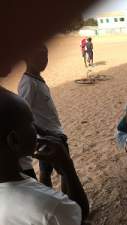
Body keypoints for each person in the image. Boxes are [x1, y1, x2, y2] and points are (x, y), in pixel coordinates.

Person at [0, 88, 89, 225]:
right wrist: (67, 168)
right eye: (31, 123)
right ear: (14, 140)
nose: (38, 129)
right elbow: (80, 217)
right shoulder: (51, 207)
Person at [18, 44, 69, 191]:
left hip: (51, 133)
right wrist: (47, 134)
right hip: (49, 136)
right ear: (27, 58)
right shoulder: (28, 83)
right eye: (39, 56)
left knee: (46, 171)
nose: (44, 60)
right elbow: (24, 115)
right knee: (65, 171)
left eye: (46, 55)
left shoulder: (36, 79)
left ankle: (55, 198)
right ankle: (70, 201)